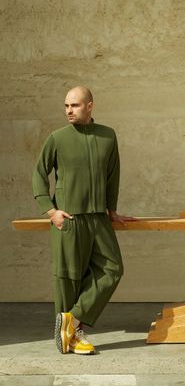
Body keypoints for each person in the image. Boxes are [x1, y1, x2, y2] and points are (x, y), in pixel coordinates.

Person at [32, 86, 135, 355]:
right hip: (69, 218)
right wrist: (50, 210)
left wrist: (112, 211)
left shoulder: (107, 136)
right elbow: (38, 174)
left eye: (75, 105)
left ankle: (72, 320)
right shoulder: (57, 138)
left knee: (112, 269)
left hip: (98, 217)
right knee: (68, 277)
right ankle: (71, 337)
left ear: (90, 106)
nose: (69, 110)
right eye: (66, 105)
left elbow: (113, 176)